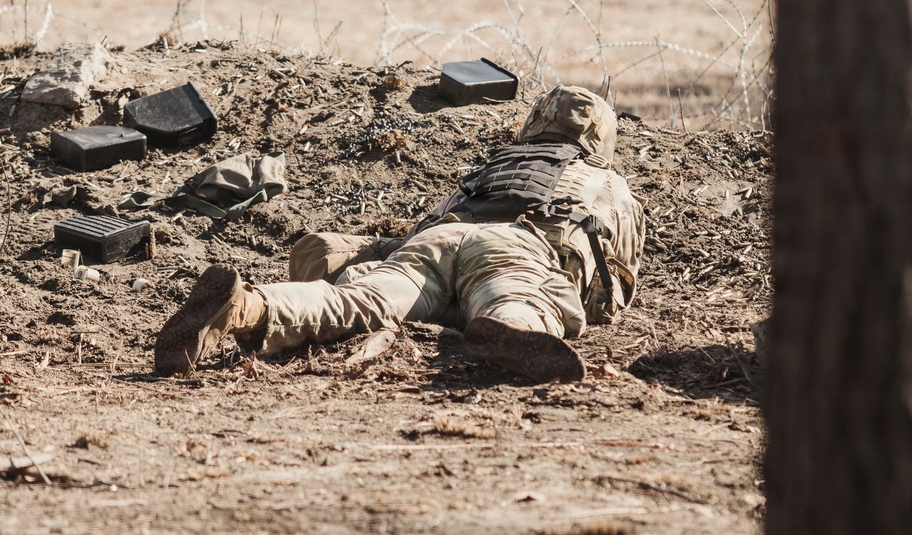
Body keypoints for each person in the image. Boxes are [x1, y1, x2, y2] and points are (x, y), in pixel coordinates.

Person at [153, 85, 646, 383]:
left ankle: (246, 306)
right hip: (519, 249)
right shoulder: (609, 184)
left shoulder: (490, 171)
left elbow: (425, 229)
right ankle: (514, 330)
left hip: (436, 245)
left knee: (357, 302)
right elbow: (609, 287)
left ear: (532, 127)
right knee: (515, 296)